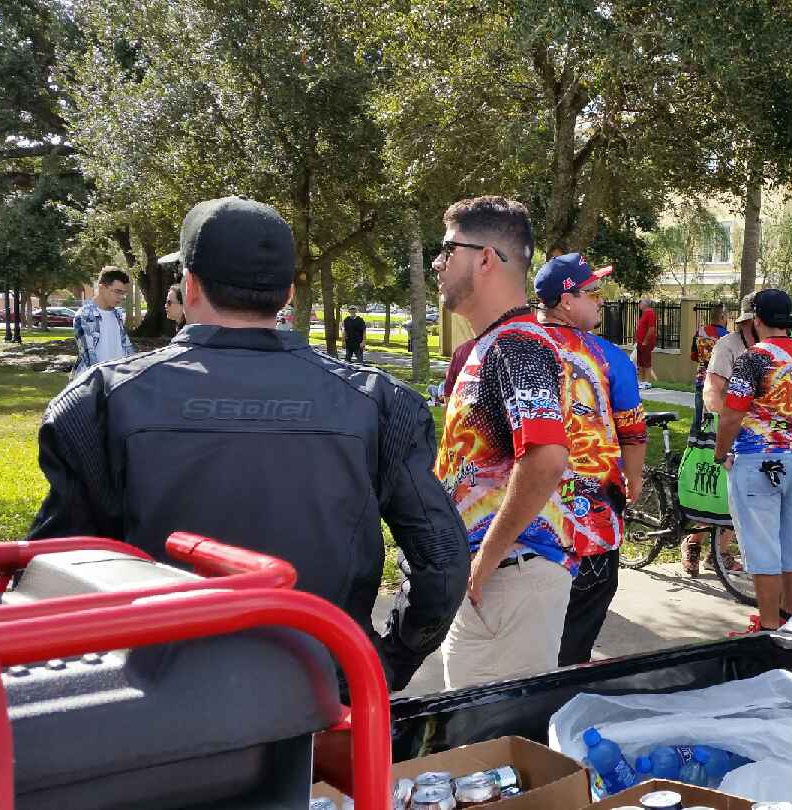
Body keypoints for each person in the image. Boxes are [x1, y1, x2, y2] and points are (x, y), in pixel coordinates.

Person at [28, 195, 467, 691]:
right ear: (287, 294)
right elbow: (442, 562)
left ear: (190, 285)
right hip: (319, 692)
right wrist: (382, 662)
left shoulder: (101, 401)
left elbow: (52, 572)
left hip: (153, 701)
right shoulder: (379, 402)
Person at [431, 196, 574, 689]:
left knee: (491, 732)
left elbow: (546, 458)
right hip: (497, 578)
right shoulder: (491, 345)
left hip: (507, 578)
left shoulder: (518, 346)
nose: (438, 263)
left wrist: (483, 563)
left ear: (486, 258)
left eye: (448, 250)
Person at [533, 254, 647, 666]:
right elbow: (632, 430)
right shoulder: (607, 356)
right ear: (566, 300)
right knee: (576, 630)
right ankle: (563, 688)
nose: (601, 300)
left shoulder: (511, 345)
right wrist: (634, 478)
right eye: (593, 293)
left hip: (519, 523)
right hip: (589, 525)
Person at [714, 289, 792, 633]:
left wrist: (720, 452)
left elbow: (732, 414)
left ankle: (769, 626)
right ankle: (789, 616)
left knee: (761, 544)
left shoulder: (754, 358)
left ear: (756, 320)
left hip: (757, 458)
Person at [682, 293, 758, 577]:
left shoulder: (765, 347)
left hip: (749, 431)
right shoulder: (727, 345)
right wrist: (723, 427)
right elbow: (713, 393)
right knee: (711, 488)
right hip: (719, 422)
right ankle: (694, 542)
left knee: (736, 495)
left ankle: (719, 552)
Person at [71, 267, 136, 377]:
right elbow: (89, 357)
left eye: (124, 293)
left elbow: (127, 347)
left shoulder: (118, 314)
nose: (121, 297)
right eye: (117, 292)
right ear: (101, 288)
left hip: (117, 379)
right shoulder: (84, 315)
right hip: (94, 380)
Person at [689, 303, 729, 434]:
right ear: (722, 317)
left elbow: (693, 356)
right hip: (720, 382)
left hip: (701, 379)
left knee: (698, 414)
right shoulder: (727, 336)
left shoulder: (700, 332)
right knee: (718, 416)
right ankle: (714, 442)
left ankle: (694, 441)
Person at [634, 299, 658, 389]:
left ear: (646, 304)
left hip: (646, 343)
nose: (639, 304)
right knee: (640, 363)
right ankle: (641, 381)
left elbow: (651, 328)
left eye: (641, 303)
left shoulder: (650, 313)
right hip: (640, 342)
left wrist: (645, 341)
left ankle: (647, 382)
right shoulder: (644, 313)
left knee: (646, 362)